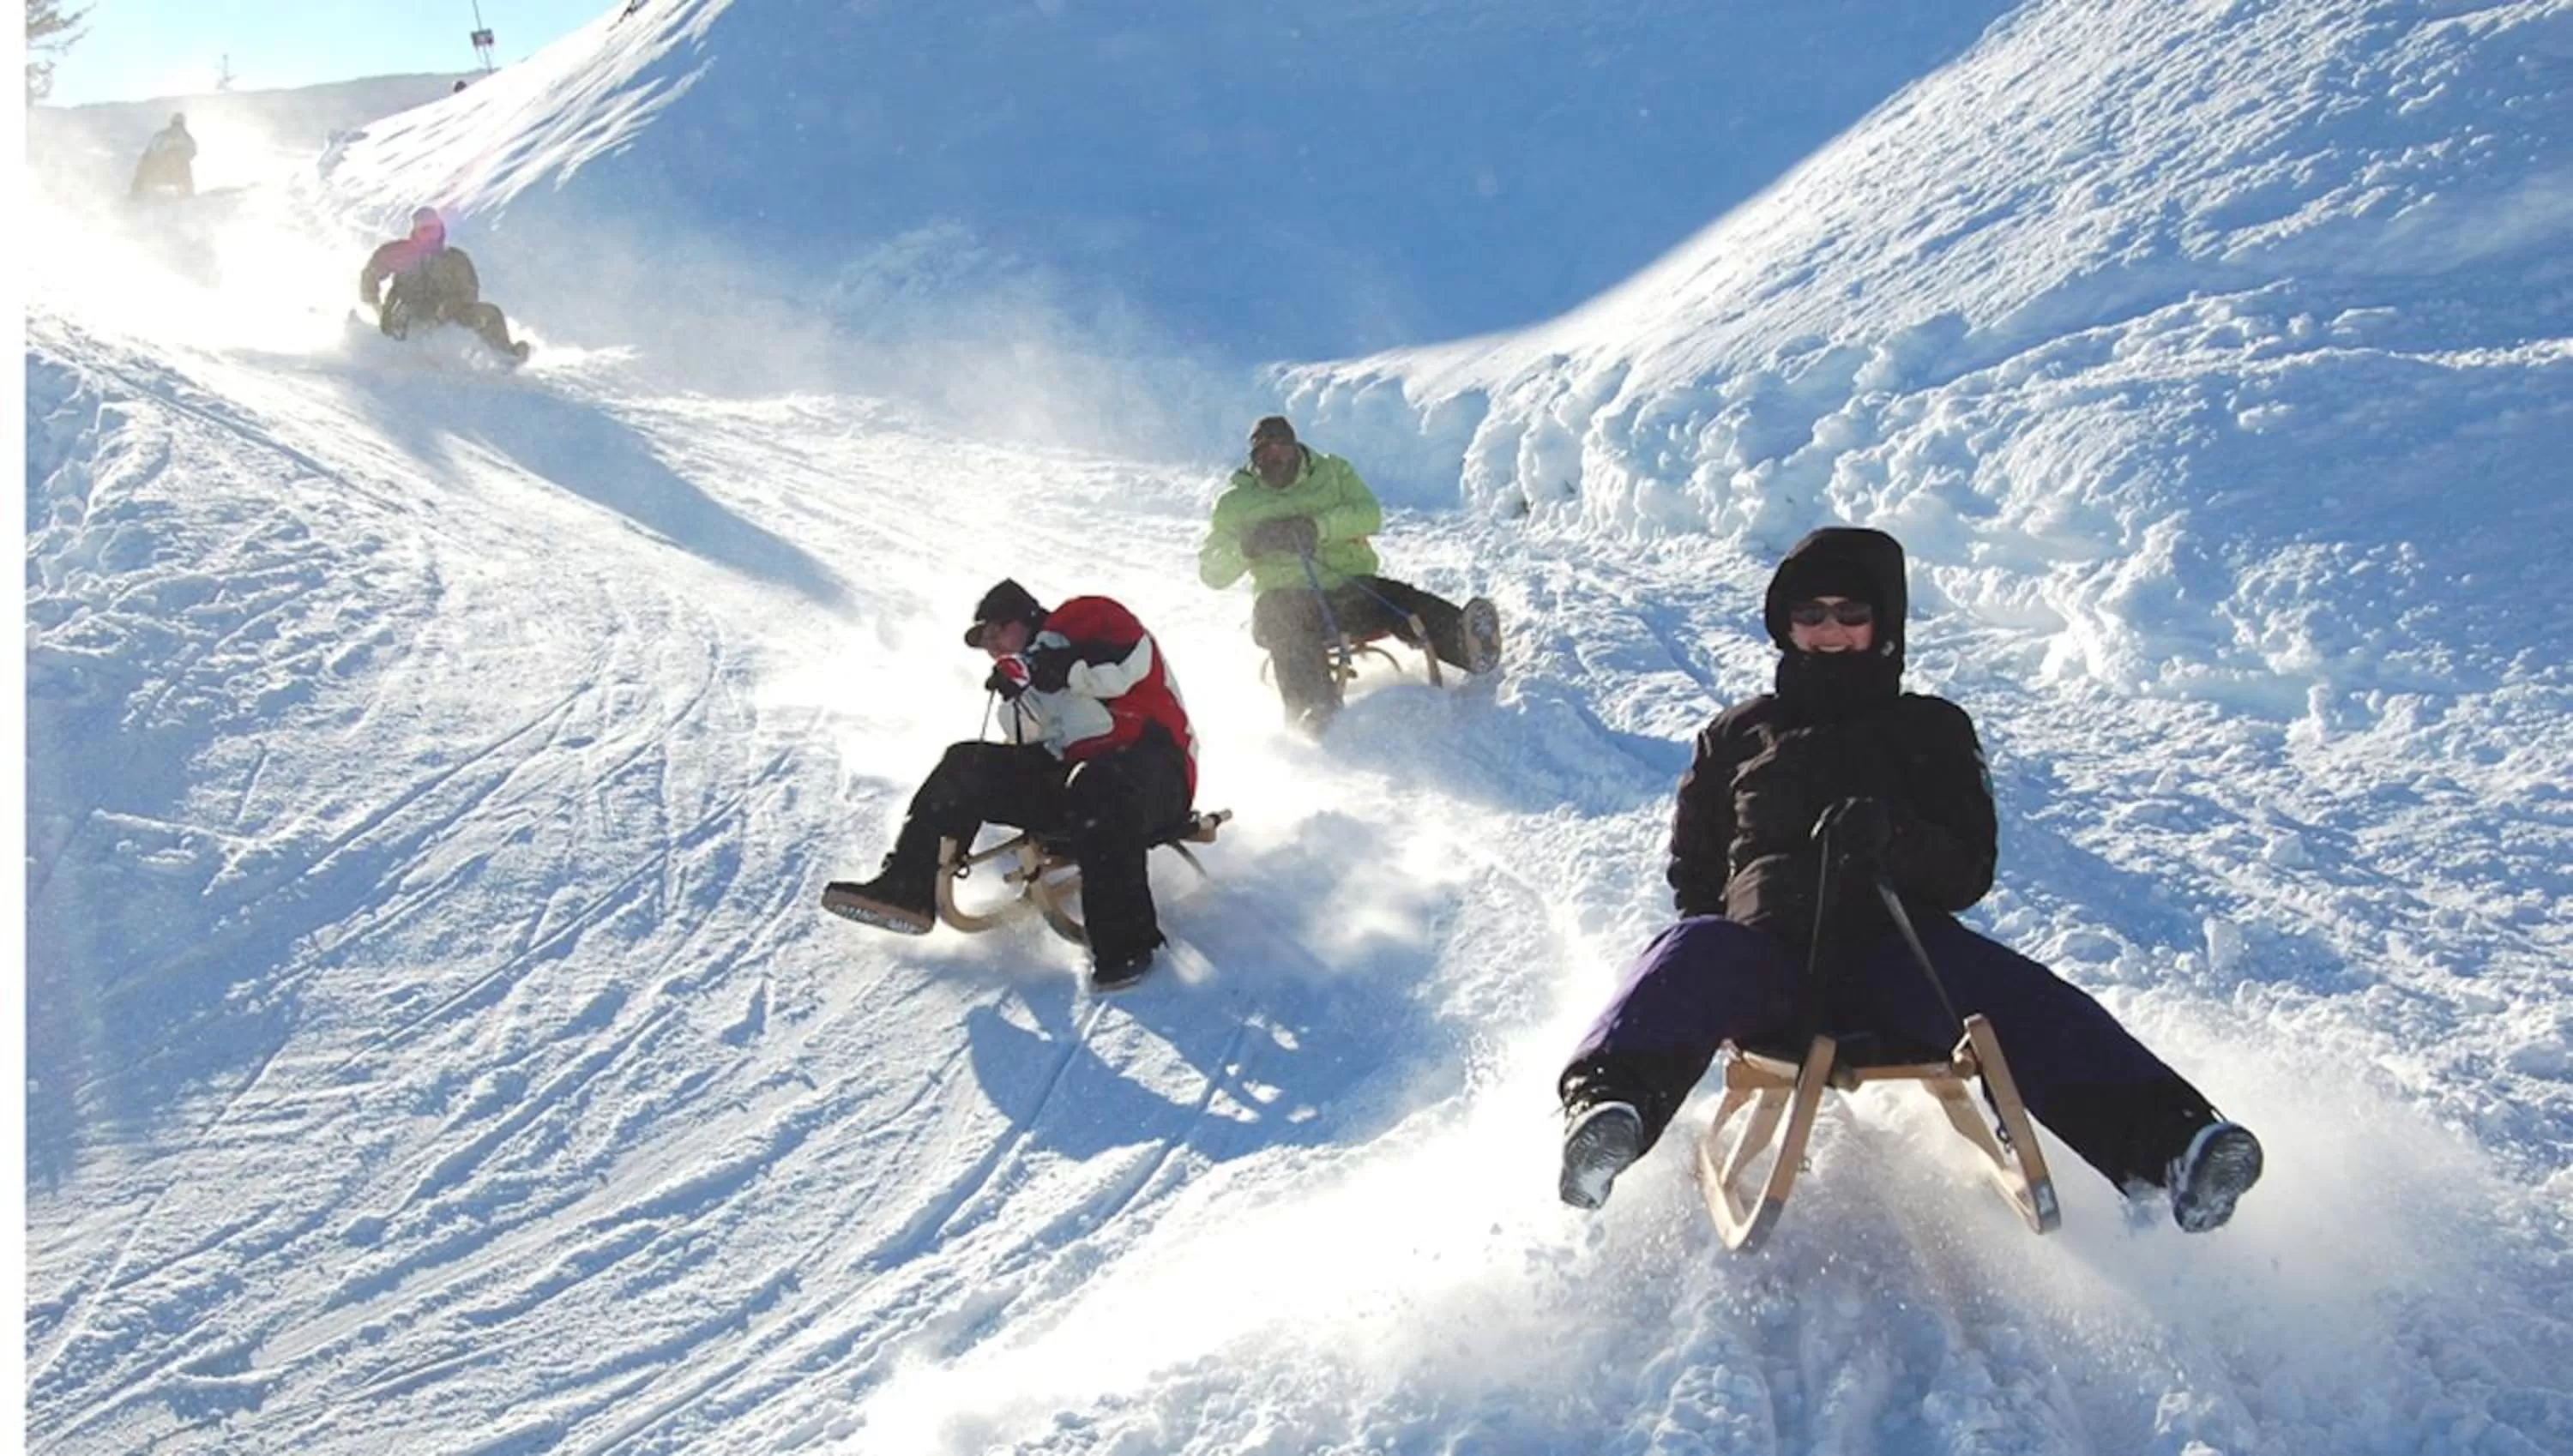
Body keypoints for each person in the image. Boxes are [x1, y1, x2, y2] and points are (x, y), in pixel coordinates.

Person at [1556, 526, 2263, 1232]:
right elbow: (1696, 868)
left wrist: (1894, 839)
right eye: (1810, 615)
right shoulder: (1737, 733)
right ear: (1785, 626)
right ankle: (1606, 1115)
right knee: (1693, 944)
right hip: (1768, 965)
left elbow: (1970, 870)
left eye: (1850, 614)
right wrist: (1716, 964)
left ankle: (2175, 1144)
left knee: (2006, 991)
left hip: (1896, 958)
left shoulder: (1932, 729)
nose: (1829, 631)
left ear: (1883, 624)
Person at [823, 580, 1197, 990]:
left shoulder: (1088, 617)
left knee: (1099, 783)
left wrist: (1043, 668)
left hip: (1155, 771)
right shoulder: (1028, 685)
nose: (994, 648)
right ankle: (906, 889)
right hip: (1079, 791)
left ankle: (1125, 944)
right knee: (967, 761)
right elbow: (1033, 749)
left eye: (997, 633)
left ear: (1026, 618)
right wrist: (1018, 698)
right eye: (986, 643)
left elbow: (1124, 669)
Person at [1198, 416, 1503, 734]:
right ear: (1254, 460)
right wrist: (1249, 545)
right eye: (1266, 455)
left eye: (1283, 451)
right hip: (1285, 599)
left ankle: (1463, 641)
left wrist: (1319, 528)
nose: (1276, 461)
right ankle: (1311, 708)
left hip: (1347, 588)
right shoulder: (1235, 503)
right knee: (1282, 618)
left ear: (1297, 449)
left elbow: (1369, 514)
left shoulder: (1332, 472)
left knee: (1395, 598)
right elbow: (1211, 572)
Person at [359, 207, 530, 363]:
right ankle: (402, 354)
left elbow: (469, 291)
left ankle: (505, 356)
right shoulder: (398, 252)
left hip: (447, 313)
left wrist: (452, 306)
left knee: (490, 313)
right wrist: (377, 307)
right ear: (416, 231)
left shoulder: (455, 258)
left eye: (434, 229)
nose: (431, 234)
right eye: (425, 230)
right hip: (408, 309)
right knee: (405, 316)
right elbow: (370, 274)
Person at [130, 113, 196, 197]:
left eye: (178, 125)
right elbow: (151, 149)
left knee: (184, 165)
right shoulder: (164, 135)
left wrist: (179, 155)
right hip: (160, 167)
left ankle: (187, 194)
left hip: (171, 169)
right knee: (145, 162)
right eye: (176, 124)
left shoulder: (185, 138)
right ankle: (136, 191)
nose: (177, 128)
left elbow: (192, 152)